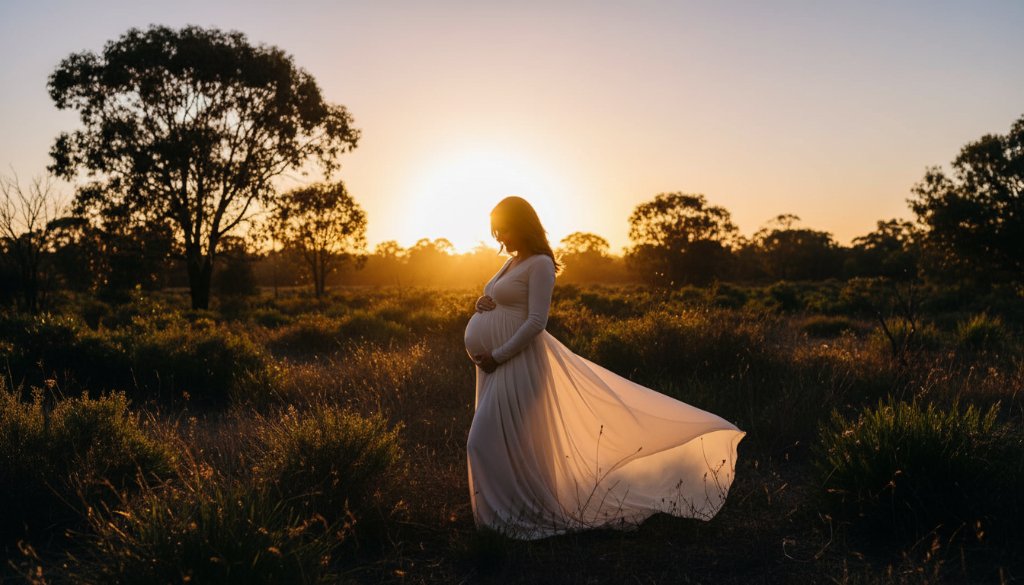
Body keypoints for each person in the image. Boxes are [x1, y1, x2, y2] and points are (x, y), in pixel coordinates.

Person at [464, 196, 745, 540]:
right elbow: (502, 300)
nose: (499, 236)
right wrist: (482, 303)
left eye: (504, 227)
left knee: (483, 442)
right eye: (496, 229)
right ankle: (502, 517)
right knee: (507, 444)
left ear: (522, 224)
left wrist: (499, 354)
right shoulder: (510, 263)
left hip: (518, 364)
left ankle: (511, 519)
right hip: (495, 366)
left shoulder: (539, 263)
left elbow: (537, 321)